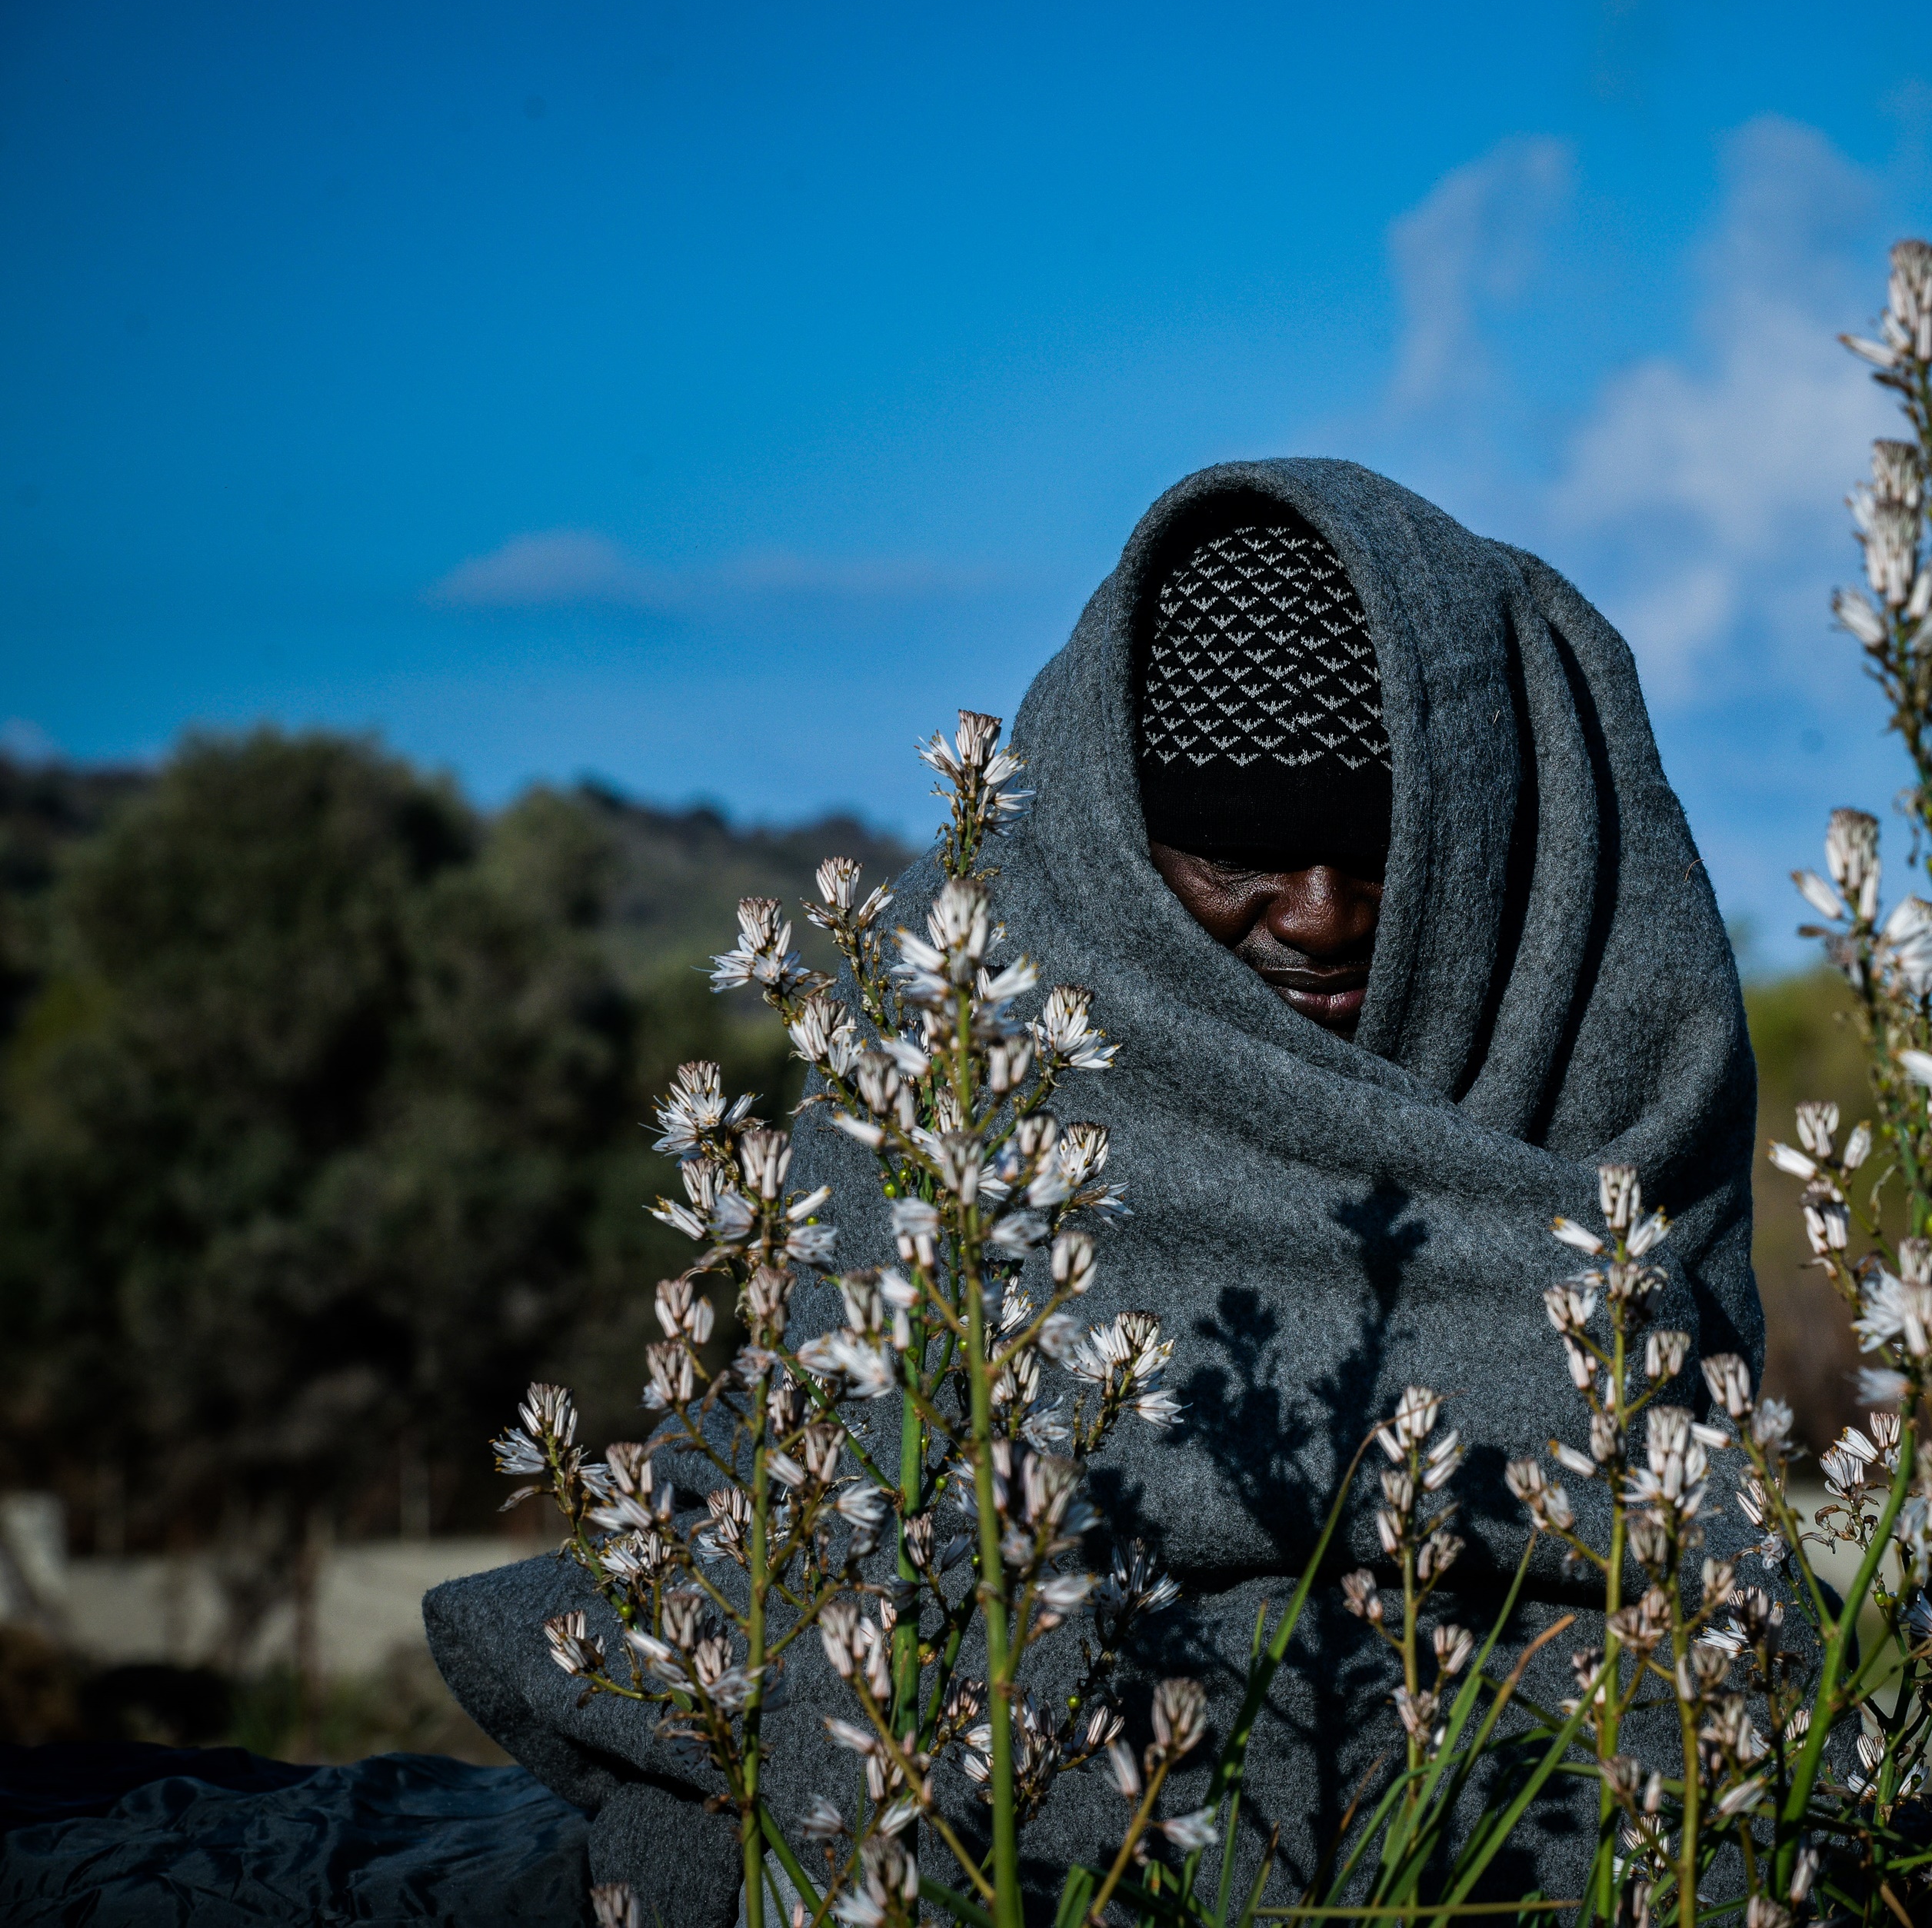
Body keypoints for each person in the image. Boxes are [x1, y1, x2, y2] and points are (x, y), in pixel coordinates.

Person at [426, 458, 1764, 1923]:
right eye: (1238, 854)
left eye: (1383, 854)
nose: (1318, 916)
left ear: (1500, 842)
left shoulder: (1609, 1043)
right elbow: (815, 1531)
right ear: (1121, 855)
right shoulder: (951, 1075)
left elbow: (1705, 1591)